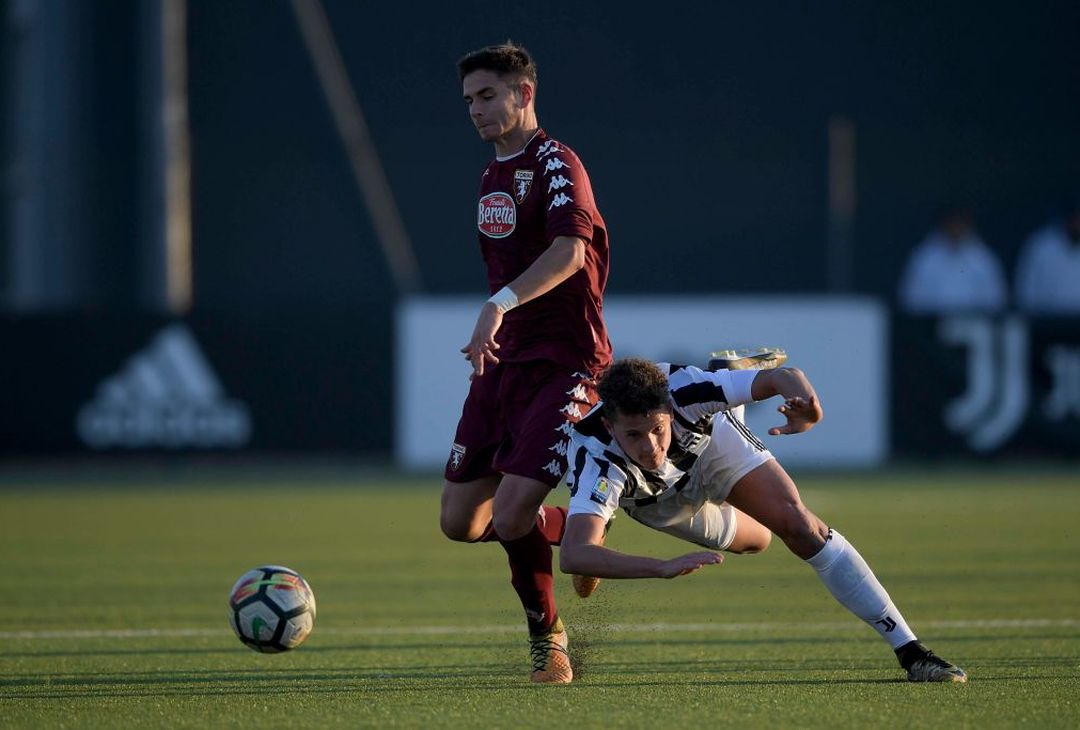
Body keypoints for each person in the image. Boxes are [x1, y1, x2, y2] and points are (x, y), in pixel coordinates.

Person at [560, 357, 968, 683]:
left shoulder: (685, 389)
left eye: (657, 429)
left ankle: (911, 652)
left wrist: (809, 406)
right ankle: (598, 515)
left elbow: (784, 376)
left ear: (668, 409)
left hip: (709, 449)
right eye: (633, 435)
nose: (650, 446)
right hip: (656, 501)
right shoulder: (597, 456)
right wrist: (660, 568)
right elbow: (575, 554)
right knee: (756, 541)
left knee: (799, 527)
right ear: (610, 425)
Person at [438, 41, 612, 685]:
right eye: (468, 100)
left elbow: (570, 252)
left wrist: (498, 306)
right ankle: (568, 527)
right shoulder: (491, 176)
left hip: (566, 363)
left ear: (524, 93)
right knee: (461, 523)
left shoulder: (557, 163)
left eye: (487, 96)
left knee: (510, 515)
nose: (475, 110)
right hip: (504, 364)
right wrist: (500, 322)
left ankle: (550, 641)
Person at [898, 206, 1007, 314]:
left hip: (975, 322)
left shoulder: (983, 258)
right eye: (952, 223)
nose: (955, 227)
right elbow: (911, 300)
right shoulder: (924, 257)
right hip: (933, 321)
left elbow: (996, 300)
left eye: (959, 223)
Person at [1015, 195, 1080, 314]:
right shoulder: (1041, 246)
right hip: (1047, 320)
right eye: (1075, 218)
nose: (1077, 224)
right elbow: (1026, 292)